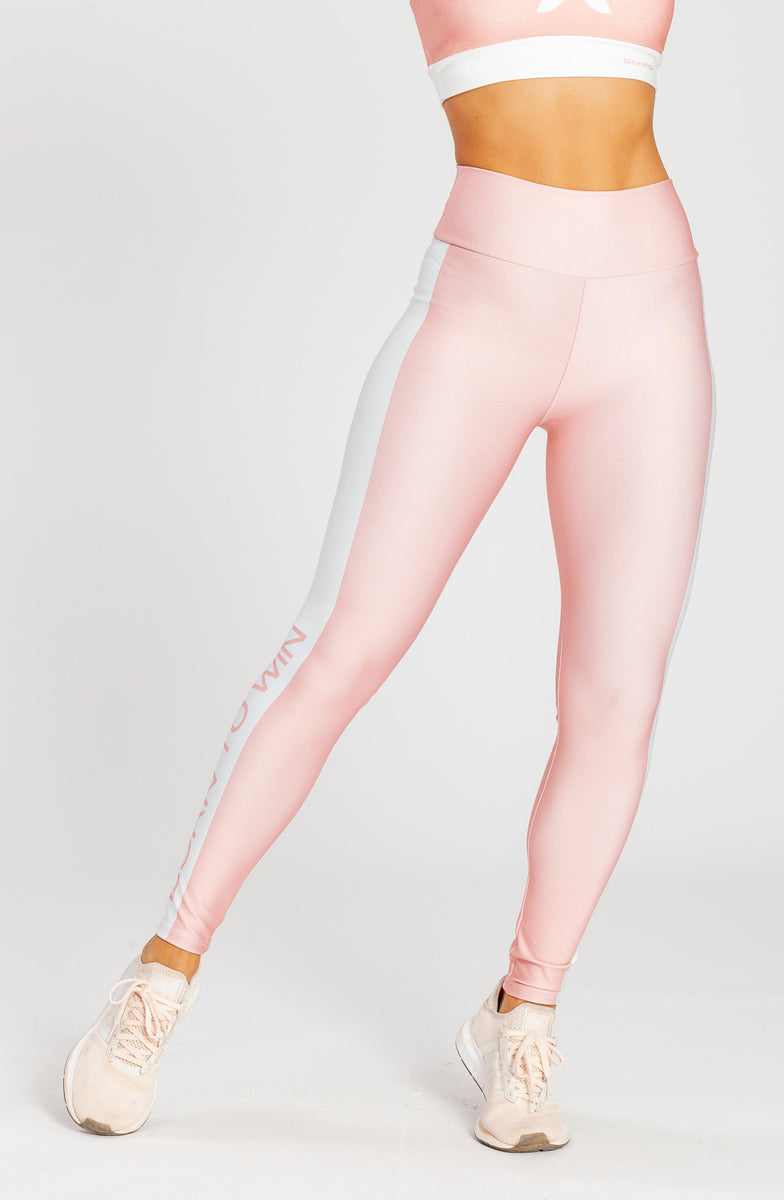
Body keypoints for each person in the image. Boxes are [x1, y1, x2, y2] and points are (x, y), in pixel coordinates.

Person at [63, 0, 716, 1153]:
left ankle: (523, 1012)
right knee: (341, 645)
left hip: (651, 313)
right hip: (484, 312)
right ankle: (158, 976)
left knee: (616, 698)